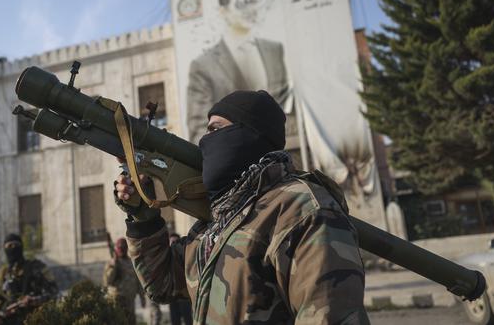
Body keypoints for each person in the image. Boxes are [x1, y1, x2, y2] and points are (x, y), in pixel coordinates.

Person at [114, 91, 369, 324]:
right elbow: (163, 283)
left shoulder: (302, 211)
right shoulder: (219, 219)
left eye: (216, 129)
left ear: (249, 134)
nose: (205, 141)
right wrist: (142, 212)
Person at [186, 0, 291, 142]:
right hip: (233, 156)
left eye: (252, 2)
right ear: (223, 11)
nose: (249, 10)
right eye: (241, 4)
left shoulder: (274, 50)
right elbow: (200, 131)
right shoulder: (203, 66)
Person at [0, 233, 58, 325]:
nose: (13, 248)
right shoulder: (0, 275)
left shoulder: (37, 268)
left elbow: (54, 293)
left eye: (16, 245)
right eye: (9, 245)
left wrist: (34, 300)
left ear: (21, 247)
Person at [103, 237, 145, 325]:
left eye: (123, 247)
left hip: (130, 302)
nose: (122, 249)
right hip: (116, 301)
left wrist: (142, 297)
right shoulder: (111, 263)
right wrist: (114, 265)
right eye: (120, 247)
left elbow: (138, 280)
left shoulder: (131, 262)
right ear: (117, 249)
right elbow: (107, 281)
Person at [167, 233, 193, 325]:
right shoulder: (166, 260)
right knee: (175, 321)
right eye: (172, 242)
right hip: (173, 297)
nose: (174, 244)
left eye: (176, 242)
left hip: (185, 297)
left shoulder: (186, 258)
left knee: (188, 320)